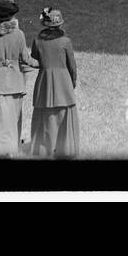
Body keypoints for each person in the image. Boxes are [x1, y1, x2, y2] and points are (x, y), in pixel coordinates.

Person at [0, 0, 34, 157]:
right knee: (13, 117)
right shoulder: (19, 34)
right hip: (16, 81)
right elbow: (26, 59)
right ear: (12, 16)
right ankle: (12, 147)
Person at [29, 8, 80, 159]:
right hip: (63, 82)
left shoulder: (37, 41)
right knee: (64, 116)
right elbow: (72, 66)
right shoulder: (66, 41)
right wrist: (72, 83)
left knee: (45, 117)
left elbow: (36, 57)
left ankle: (44, 149)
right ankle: (66, 149)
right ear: (60, 24)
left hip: (44, 82)